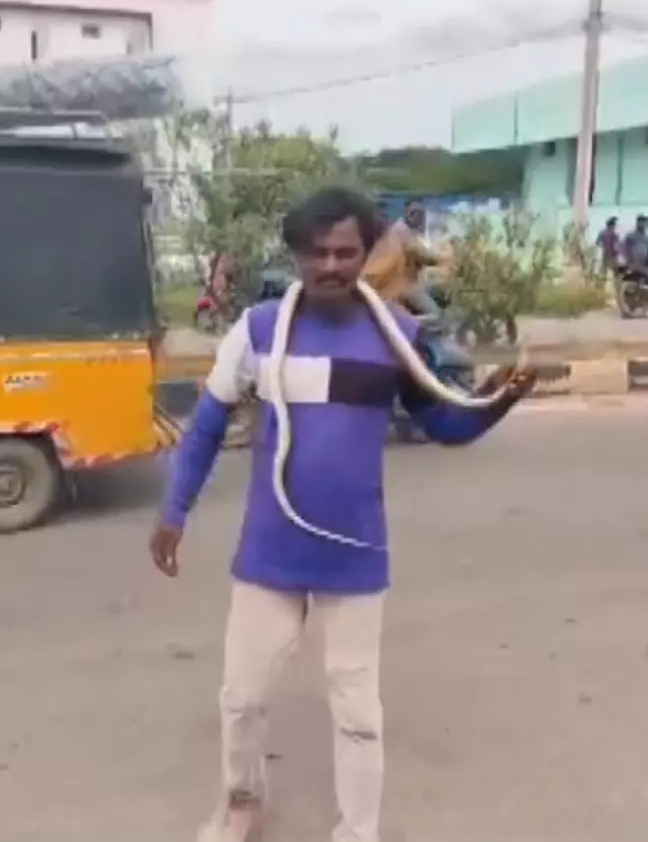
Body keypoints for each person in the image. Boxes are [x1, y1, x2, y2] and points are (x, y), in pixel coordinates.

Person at [152, 186, 536, 842]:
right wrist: (174, 509)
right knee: (241, 698)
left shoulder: (399, 335)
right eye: (318, 252)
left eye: (346, 252)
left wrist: (497, 402)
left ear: (367, 254)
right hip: (270, 553)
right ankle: (242, 801)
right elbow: (208, 423)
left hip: (354, 556)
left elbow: (445, 424)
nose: (331, 265)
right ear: (297, 253)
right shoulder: (259, 330)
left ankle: (358, 830)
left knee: (358, 712)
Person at [362, 198, 447, 318]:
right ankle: (408, 325)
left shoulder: (394, 230)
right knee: (436, 315)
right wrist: (447, 258)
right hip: (402, 286)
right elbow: (426, 256)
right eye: (413, 213)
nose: (416, 217)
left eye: (419, 214)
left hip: (392, 285)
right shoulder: (403, 232)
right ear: (406, 213)